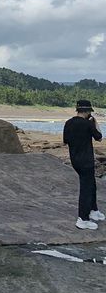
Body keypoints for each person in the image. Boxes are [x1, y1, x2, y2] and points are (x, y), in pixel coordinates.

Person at [63, 99, 104, 230]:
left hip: (75, 160)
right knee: (86, 189)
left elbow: (65, 141)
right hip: (86, 161)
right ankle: (83, 219)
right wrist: (95, 123)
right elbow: (99, 137)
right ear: (87, 112)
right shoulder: (88, 124)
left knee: (91, 184)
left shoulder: (68, 123)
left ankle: (94, 210)